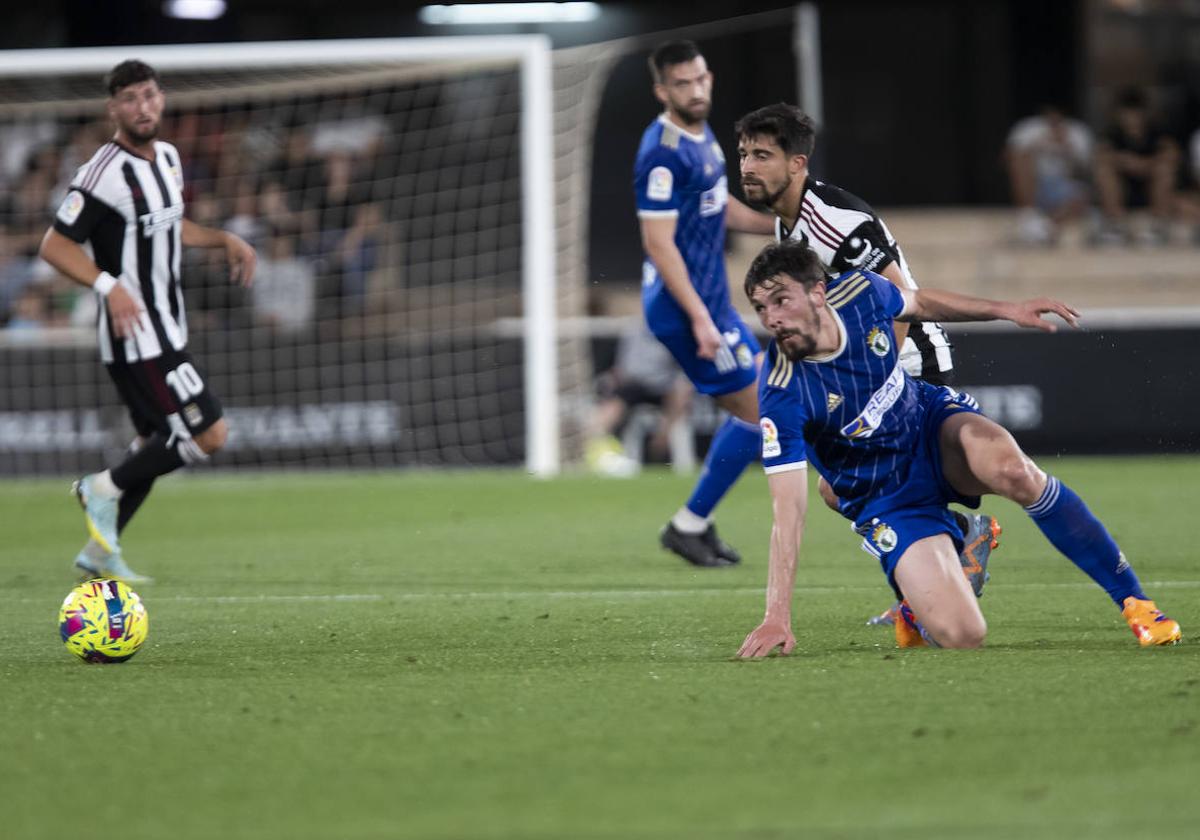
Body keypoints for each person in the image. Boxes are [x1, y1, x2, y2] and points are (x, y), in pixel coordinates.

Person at [735, 239, 1181, 657]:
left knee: (1015, 472)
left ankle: (1136, 604)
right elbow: (788, 511)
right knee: (964, 636)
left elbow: (922, 302)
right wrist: (777, 616)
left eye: (781, 301)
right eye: (760, 307)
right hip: (886, 495)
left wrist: (1006, 309)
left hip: (930, 427)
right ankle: (943, 565)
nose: (771, 318)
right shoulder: (782, 391)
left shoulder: (862, 293)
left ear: (818, 294)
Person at [733, 102, 998, 622]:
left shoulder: (836, 221)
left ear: (797, 163)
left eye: (762, 155)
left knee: (848, 487)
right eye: (743, 153)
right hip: (870, 371)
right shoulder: (788, 229)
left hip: (907, 362)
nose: (746, 166)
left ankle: (942, 566)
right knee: (841, 488)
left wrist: (876, 379)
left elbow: (899, 297)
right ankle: (946, 558)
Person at [38, 59, 257, 583]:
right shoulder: (101, 173)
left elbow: (170, 227)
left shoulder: (168, 158)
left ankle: (98, 552)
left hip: (168, 325)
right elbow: (54, 245)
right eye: (131, 98)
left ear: (162, 99)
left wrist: (223, 238)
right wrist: (107, 286)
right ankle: (101, 489)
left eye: (151, 95)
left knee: (154, 443)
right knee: (209, 433)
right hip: (135, 336)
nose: (144, 107)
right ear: (113, 107)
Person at [635, 40, 776, 568]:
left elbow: (721, 211)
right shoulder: (662, 150)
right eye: (682, 84)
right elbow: (658, 243)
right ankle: (885, 516)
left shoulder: (704, 136)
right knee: (773, 414)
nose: (695, 91)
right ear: (661, 90)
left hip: (709, 303)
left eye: (700, 80)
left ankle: (690, 524)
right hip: (684, 308)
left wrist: (784, 226)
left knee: (768, 400)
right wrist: (700, 320)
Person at [585, 320, 692, 478]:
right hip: (635, 385)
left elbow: (682, 371)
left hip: (664, 385)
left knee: (681, 391)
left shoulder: (674, 333)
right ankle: (600, 446)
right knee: (615, 397)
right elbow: (622, 366)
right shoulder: (634, 332)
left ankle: (662, 441)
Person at [1092, 88, 1181, 245]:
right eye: (1126, 114)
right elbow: (1101, 156)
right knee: (1103, 170)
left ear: (1143, 114)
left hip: (1150, 188)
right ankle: (1115, 225)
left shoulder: (1157, 132)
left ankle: (1158, 226)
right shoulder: (1112, 134)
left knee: (1165, 170)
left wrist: (1143, 164)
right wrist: (1124, 161)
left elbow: (1173, 155)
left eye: (1135, 114)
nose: (1130, 119)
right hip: (1124, 190)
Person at [1003, 105, 1093, 246]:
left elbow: (1086, 173)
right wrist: (1038, 145)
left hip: (1064, 188)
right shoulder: (1028, 128)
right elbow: (1008, 158)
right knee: (1021, 157)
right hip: (1035, 186)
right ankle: (1029, 215)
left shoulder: (1077, 131)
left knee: (1083, 196)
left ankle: (1044, 227)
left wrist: (1068, 149)